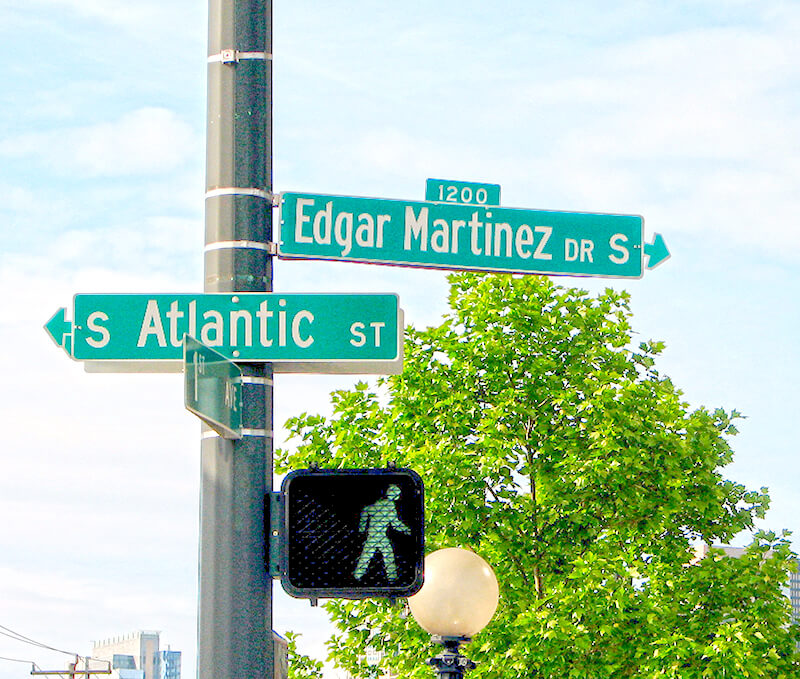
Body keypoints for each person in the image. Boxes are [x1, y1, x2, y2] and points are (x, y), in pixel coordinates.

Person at [354, 484, 410, 581]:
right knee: (379, 555)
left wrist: (362, 527)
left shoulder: (383, 504)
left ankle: (359, 576)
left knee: (372, 555)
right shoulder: (387, 506)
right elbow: (395, 523)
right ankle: (391, 578)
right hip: (376, 536)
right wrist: (406, 529)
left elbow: (366, 510)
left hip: (377, 535)